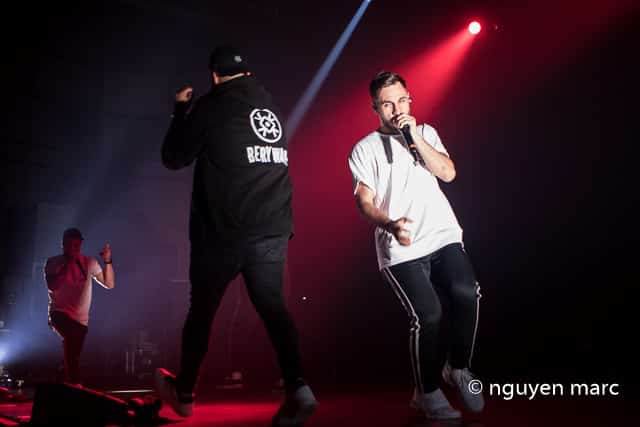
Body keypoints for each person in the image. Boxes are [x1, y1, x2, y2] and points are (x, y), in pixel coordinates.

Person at [155, 44, 317, 426]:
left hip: (223, 232)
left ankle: (184, 393)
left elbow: (173, 157)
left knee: (202, 311)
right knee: (274, 308)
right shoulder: (271, 107)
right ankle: (299, 388)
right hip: (272, 229)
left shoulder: (212, 106)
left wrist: (180, 110)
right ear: (247, 73)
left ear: (215, 76)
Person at [348, 71, 484, 419]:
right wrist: (389, 224)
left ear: (410, 100)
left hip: (442, 234)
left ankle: (458, 368)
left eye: (402, 101)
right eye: (387, 104)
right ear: (375, 107)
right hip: (401, 248)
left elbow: (448, 173)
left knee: (467, 293)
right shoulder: (364, 148)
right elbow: (364, 201)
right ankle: (427, 392)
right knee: (428, 315)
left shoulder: (426, 133)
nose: (397, 110)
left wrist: (415, 138)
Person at [44, 227, 114, 385]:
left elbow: (109, 284)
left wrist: (108, 261)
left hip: (81, 320)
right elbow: (52, 285)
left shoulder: (89, 263)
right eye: (69, 245)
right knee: (71, 340)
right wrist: (67, 266)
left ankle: (62, 379)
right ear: (63, 244)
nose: (73, 249)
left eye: (76, 245)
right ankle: (75, 384)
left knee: (73, 354)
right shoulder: (53, 262)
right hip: (58, 313)